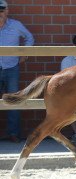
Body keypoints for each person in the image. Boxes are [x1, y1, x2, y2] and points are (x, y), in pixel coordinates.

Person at [0, 0, 34, 143]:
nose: (0, 13)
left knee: (13, 101)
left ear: (8, 11)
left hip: (11, 68)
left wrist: (24, 52)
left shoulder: (15, 25)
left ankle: (13, 133)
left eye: (2, 10)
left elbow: (29, 37)